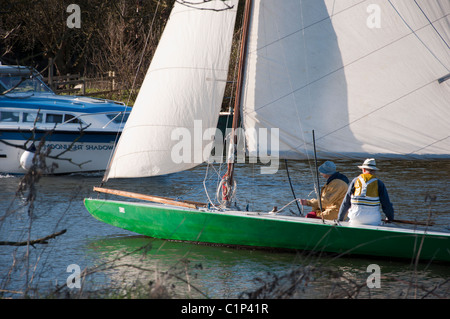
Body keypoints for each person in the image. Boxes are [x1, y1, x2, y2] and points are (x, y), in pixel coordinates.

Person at [338, 158, 394, 226]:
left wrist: (340, 219)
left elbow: (346, 202)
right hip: (373, 221)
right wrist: (390, 218)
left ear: (363, 169)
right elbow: (386, 204)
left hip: (355, 219)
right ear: (374, 171)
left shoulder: (355, 181)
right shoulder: (379, 183)